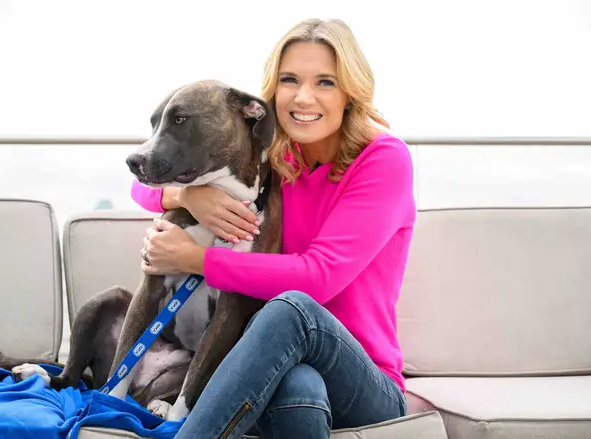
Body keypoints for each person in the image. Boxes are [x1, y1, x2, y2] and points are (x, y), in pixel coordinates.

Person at [130, 18, 415, 439]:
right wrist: (188, 196)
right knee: (299, 387)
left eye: (325, 83)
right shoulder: (278, 156)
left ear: (350, 92)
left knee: (293, 308)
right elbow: (143, 184)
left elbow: (319, 278)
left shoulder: (383, 160)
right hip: (278, 363)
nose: (304, 97)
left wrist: (196, 260)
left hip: (364, 378)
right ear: (273, 89)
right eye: (290, 80)